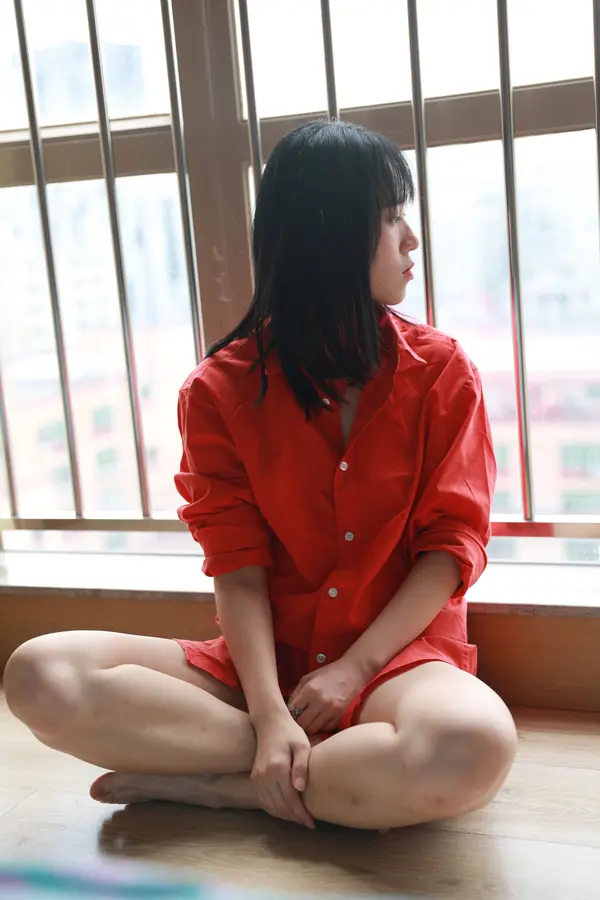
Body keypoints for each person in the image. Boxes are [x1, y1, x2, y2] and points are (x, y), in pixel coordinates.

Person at [4, 121, 517, 832]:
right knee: (40, 675)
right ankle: (301, 761)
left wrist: (353, 670)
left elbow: (451, 548)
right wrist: (271, 714)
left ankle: (223, 787)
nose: (412, 240)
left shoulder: (442, 373)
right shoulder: (218, 391)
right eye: (390, 217)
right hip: (264, 671)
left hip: (399, 664)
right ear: (330, 235)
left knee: (472, 746)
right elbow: (238, 571)